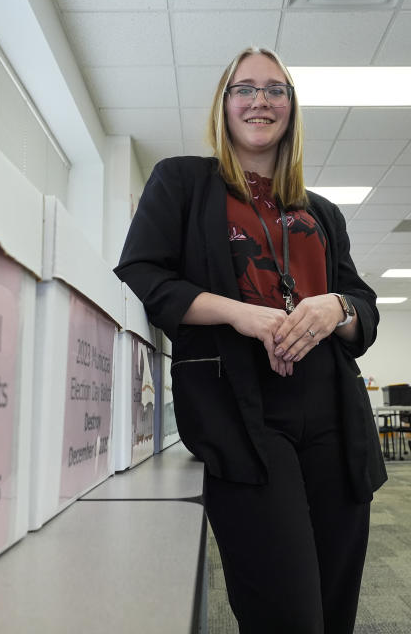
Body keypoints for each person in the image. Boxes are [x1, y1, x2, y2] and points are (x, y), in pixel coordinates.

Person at [114, 46, 386, 634]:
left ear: (291, 108)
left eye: (276, 89)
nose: (261, 100)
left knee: (334, 608)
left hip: (335, 414)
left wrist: (332, 307)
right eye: (245, 88)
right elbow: (145, 272)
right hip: (243, 414)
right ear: (224, 103)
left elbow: (363, 310)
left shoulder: (321, 211)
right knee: (286, 613)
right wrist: (242, 314)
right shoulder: (184, 181)